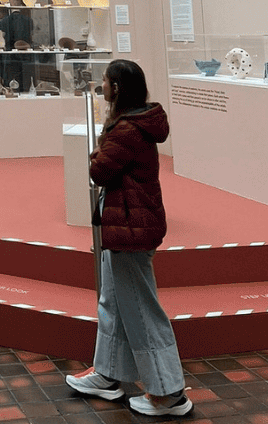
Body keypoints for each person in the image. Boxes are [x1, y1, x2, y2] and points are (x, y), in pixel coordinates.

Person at [66, 59, 193, 417]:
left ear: (117, 88)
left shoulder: (126, 130)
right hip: (126, 225)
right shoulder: (136, 123)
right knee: (115, 302)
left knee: (139, 308)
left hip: (130, 229)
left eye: (105, 81)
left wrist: (98, 145)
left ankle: (169, 394)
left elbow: (99, 169)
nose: (101, 86)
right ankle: (108, 374)